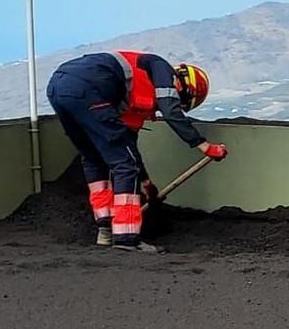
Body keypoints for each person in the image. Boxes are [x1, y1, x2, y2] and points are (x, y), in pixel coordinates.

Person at [45, 51, 225, 251]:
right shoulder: (161, 67)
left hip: (57, 88)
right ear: (183, 87)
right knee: (124, 166)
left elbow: (128, 144)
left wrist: (146, 183)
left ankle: (105, 230)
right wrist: (206, 147)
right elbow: (171, 113)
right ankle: (127, 239)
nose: (158, 108)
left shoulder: (131, 91)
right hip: (89, 88)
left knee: (93, 158)